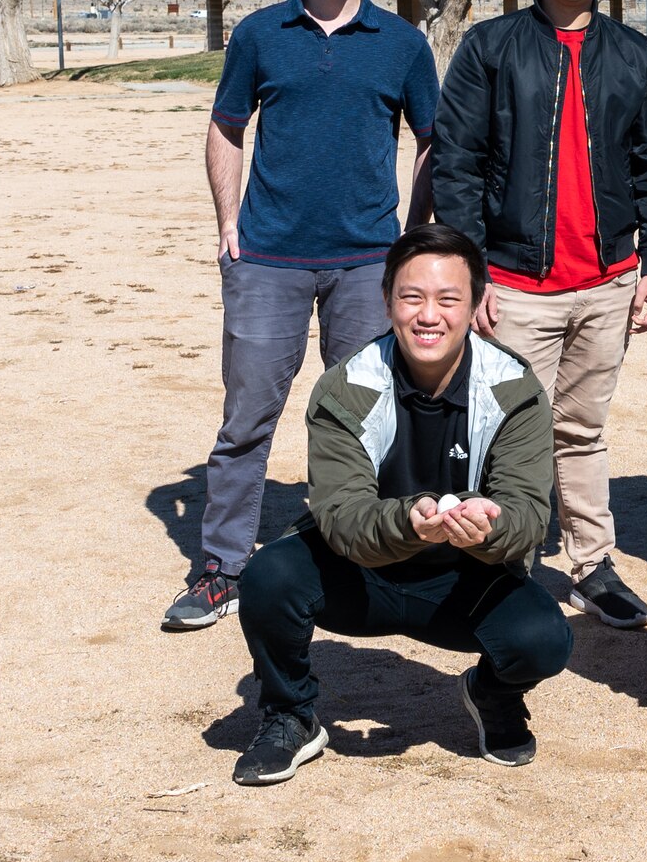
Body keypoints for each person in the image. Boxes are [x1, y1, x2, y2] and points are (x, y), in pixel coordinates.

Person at [166, 0, 439, 633]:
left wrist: (411, 235)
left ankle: (364, 558)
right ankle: (222, 567)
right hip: (267, 261)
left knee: (364, 418)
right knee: (247, 417)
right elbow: (225, 128)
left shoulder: (402, 43)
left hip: (366, 265)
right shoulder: (259, 35)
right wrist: (228, 221)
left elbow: (433, 141)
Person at [231, 225, 572, 785]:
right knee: (269, 576)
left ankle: (492, 695)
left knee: (543, 640)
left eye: (448, 299)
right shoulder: (347, 386)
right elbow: (339, 515)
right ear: (387, 299)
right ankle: (290, 715)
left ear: (477, 304)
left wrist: (489, 526)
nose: (428, 315)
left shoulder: (514, 388)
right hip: (359, 573)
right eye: (412, 297)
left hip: (464, 579)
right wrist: (410, 520)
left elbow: (529, 515)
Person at [434, 0, 647, 631]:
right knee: (508, 429)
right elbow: (458, 164)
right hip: (514, 283)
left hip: (606, 281)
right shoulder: (492, 45)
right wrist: (470, 269)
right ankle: (505, 561)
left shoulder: (631, 54)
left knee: (581, 429)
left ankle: (591, 562)